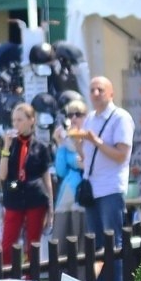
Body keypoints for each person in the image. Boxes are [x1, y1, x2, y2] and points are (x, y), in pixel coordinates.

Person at [74, 76, 134, 281]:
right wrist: (76, 139)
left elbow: (121, 156)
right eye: (92, 90)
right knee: (98, 244)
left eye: (100, 89)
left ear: (111, 93)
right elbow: (85, 155)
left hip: (110, 187)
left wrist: (96, 141)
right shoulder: (90, 118)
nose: (95, 93)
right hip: (93, 188)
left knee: (113, 242)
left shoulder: (121, 118)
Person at [0, 103, 53, 268]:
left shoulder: (41, 146)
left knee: (33, 244)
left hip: (35, 198)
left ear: (31, 121)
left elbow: (46, 177)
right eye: (14, 120)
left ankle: (31, 280)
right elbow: (2, 175)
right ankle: (9, 280)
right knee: (8, 244)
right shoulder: (10, 144)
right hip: (14, 198)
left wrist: (51, 206)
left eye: (20, 120)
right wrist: (6, 147)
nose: (16, 124)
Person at [52, 99, 88, 251]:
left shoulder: (90, 137)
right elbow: (60, 171)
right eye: (70, 114)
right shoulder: (66, 142)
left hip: (85, 195)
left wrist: (75, 159)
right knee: (61, 239)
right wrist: (60, 145)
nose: (73, 118)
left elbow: (86, 163)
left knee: (83, 243)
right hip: (66, 194)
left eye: (78, 114)